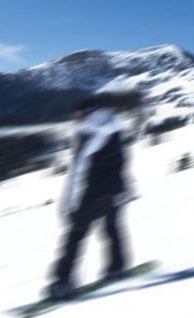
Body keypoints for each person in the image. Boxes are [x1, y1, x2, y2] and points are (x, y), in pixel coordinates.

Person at [45, 92, 137, 301]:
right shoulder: (114, 125)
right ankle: (117, 268)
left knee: (75, 233)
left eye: (77, 115)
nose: (74, 120)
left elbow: (78, 170)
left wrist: (68, 202)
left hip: (94, 192)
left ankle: (63, 282)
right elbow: (121, 162)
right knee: (112, 228)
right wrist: (127, 188)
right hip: (117, 190)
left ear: (87, 113)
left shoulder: (87, 132)